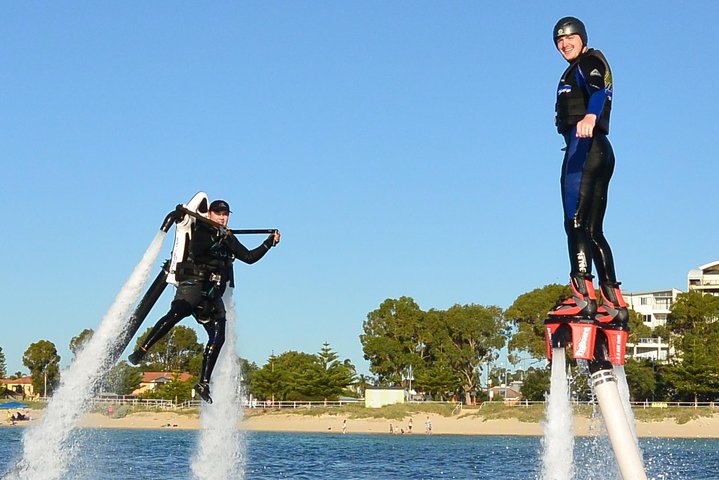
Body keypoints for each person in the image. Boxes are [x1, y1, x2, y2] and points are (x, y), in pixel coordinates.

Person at [128, 199, 281, 404]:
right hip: (194, 284)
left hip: (212, 293)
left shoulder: (228, 237)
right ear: (209, 214)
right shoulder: (200, 228)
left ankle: (203, 383)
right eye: (218, 213)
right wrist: (218, 238)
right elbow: (200, 250)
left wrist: (269, 243)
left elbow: (249, 257)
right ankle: (142, 350)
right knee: (177, 313)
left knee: (219, 336)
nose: (222, 217)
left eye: (225, 214)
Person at [549, 17, 628, 331]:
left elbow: (599, 93)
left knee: (576, 222)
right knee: (594, 229)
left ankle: (582, 295)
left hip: (585, 149)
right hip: (598, 150)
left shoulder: (588, 62)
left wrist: (590, 117)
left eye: (570, 38)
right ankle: (613, 302)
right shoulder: (583, 64)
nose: (565, 44)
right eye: (559, 40)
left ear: (582, 38)